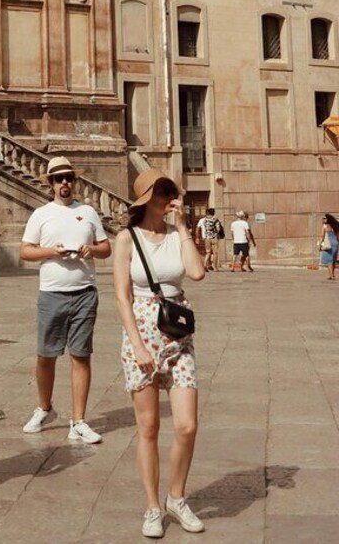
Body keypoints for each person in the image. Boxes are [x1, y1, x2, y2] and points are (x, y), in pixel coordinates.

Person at [112, 169, 206, 538]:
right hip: (142, 333)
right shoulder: (126, 238)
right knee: (148, 427)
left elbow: (196, 273)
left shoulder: (175, 234)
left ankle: (176, 497)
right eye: (161, 192)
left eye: (170, 191)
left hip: (177, 334)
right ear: (145, 200)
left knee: (187, 425)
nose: (168, 198)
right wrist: (136, 344)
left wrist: (183, 228)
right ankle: (153, 506)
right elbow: (122, 296)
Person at [19, 157, 111, 443]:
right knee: (46, 355)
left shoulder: (88, 212)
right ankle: (44, 407)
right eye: (59, 179)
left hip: (84, 292)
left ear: (75, 181)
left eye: (69, 177)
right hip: (52, 293)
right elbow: (25, 251)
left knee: (81, 355)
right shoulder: (41, 214)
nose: (65, 183)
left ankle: (78, 421)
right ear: (51, 183)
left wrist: (92, 250)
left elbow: (106, 247)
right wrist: (51, 252)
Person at [319, 213, 339, 280]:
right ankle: (333, 274)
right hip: (335, 243)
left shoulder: (325, 226)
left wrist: (320, 244)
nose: (323, 220)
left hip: (328, 244)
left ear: (327, 219)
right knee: (333, 260)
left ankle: (331, 276)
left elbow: (322, 236)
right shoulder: (335, 226)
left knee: (329, 260)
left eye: (324, 218)